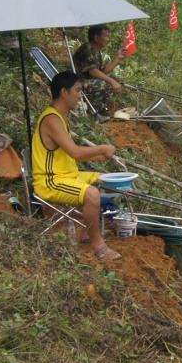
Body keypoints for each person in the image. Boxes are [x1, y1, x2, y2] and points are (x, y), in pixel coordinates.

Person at [33, 71, 121, 262]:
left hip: (67, 175)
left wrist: (97, 157)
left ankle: (86, 231)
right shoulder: (52, 120)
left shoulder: (60, 116)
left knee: (104, 179)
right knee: (92, 194)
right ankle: (99, 247)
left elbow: (66, 153)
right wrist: (102, 148)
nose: (80, 95)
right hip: (50, 181)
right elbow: (75, 152)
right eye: (78, 90)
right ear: (64, 92)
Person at [72, 24, 124, 116]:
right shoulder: (87, 49)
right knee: (103, 83)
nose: (108, 39)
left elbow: (102, 72)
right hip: (77, 83)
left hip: (88, 81)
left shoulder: (96, 51)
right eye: (106, 36)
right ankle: (94, 112)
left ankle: (103, 107)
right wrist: (111, 81)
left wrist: (118, 58)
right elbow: (93, 71)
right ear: (96, 37)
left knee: (116, 80)